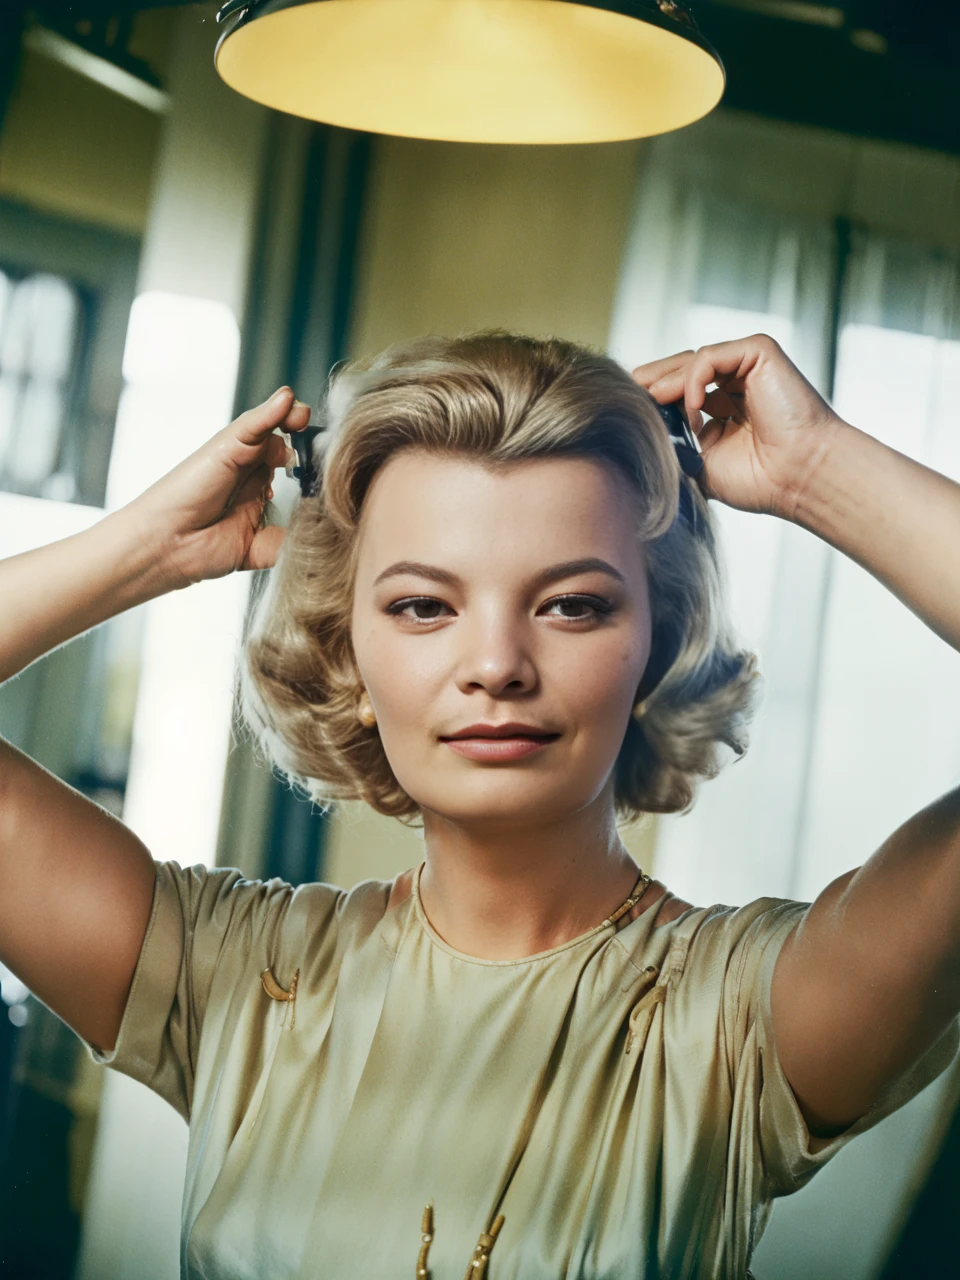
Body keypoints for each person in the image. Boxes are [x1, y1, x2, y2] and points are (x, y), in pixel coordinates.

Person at [1, 329, 958, 1280]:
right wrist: (143, 548)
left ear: (652, 650)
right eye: (424, 606)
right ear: (350, 655)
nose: (497, 665)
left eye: (572, 604)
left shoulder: (748, 1017)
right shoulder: (231, 977)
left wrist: (818, 471)